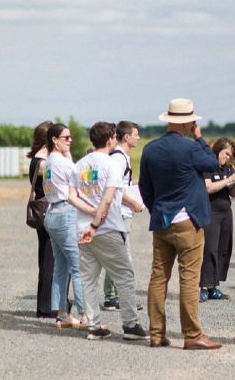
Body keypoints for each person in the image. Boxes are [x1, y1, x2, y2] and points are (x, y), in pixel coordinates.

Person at [139, 98, 222, 350]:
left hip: (162, 219)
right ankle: (192, 334)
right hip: (188, 218)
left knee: (158, 276)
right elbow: (213, 163)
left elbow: (145, 187)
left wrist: (155, 209)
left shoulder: (150, 149)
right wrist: (200, 138)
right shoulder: (191, 148)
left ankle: (156, 333)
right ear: (188, 123)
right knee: (189, 277)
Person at [71, 122, 149, 341]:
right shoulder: (112, 164)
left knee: (88, 279)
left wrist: (89, 217)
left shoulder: (80, 165)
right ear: (110, 139)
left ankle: (94, 326)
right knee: (124, 275)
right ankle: (130, 324)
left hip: (82, 229)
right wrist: (96, 223)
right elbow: (108, 199)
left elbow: (71, 196)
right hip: (107, 228)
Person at [41, 123, 86, 329]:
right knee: (78, 267)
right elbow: (80, 180)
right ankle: (86, 315)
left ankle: (62, 314)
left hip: (52, 212)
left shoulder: (49, 161)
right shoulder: (62, 163)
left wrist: (67, 155)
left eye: (70, 137)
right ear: (54, 140)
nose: (70, 140)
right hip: (65, 212)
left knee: (61, 267)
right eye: (66, 137)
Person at [102, 121, 145, 312]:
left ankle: (112, 297)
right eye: (135, 134)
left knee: (117, 256)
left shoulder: (120, 157)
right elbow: (116, 187)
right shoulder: (119, 159)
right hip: (120, 213)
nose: (138, 137)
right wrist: (133, 203)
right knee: (123, 257)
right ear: (126, 137)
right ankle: (117, 298)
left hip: (121, 212)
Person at [200, 137, 235, 302]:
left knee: (222, 248)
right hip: (211, 213)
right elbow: (208, 188)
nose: (227, 158)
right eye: (226, 154)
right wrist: (229, 180)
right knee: (209, 249)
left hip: (226, 212)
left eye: (230, 156)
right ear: (218, 150)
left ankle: (213, 286)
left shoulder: (227, 168)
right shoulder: (207, 167)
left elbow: (232, 193)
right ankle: (203, 287)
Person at [28, 121, 57, 318]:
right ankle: (46, 306)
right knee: (49, 260)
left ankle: (47, 304)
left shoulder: (37, 159)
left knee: (47, 257)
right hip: (48, 211)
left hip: (42, 211)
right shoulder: (42, 162)